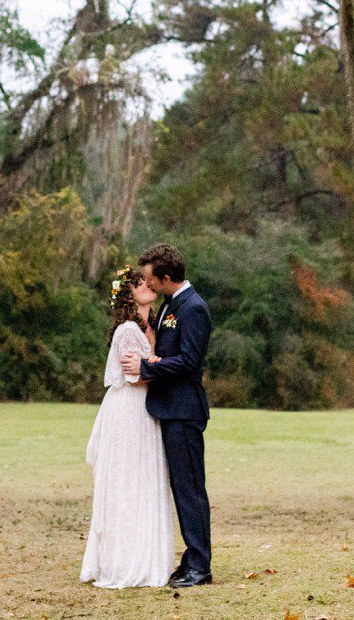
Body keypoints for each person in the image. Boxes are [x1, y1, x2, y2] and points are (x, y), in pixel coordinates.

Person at [120, 243, 213, 589]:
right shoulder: (170, 306)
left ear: (166, 277)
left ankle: (200, 565)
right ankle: (192, 557)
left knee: (190, 489)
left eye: (150, 278)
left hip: (184, 410)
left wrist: (147, 366)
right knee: (180, 487)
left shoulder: (194, 308)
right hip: (168, 408)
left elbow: (190, 362)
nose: (148, 283)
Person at [80, 265, 174, 588]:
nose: (146, 285)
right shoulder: (126, 331)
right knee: (127, 482)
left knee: (146, 480)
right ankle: (123, 560)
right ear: (127, 295)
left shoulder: (155, 326)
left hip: (146, 413)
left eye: (145, 281)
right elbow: (134, 376)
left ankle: (148, 556)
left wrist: (156, 365)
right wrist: (158, 366)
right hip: (128, 413)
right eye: (137, 283)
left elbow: (147, 367)